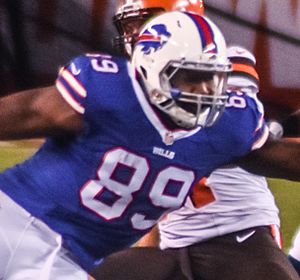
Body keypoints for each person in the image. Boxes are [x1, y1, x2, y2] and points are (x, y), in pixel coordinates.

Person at [0, 9, 299, 280]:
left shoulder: (225, 125)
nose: (204, 91)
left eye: (213, 80)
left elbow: (281, 157)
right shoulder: (108, 91)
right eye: (190, 78)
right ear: (153, 69)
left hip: (67, 255)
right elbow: (27, 112)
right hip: (14, 222)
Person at [90, 1, 300, 280]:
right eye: (129, 26)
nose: (134, 34)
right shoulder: (136, 85)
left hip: (238, 237)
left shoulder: (225, 62)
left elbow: (205, 130)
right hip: (176, 247)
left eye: (141, 23)